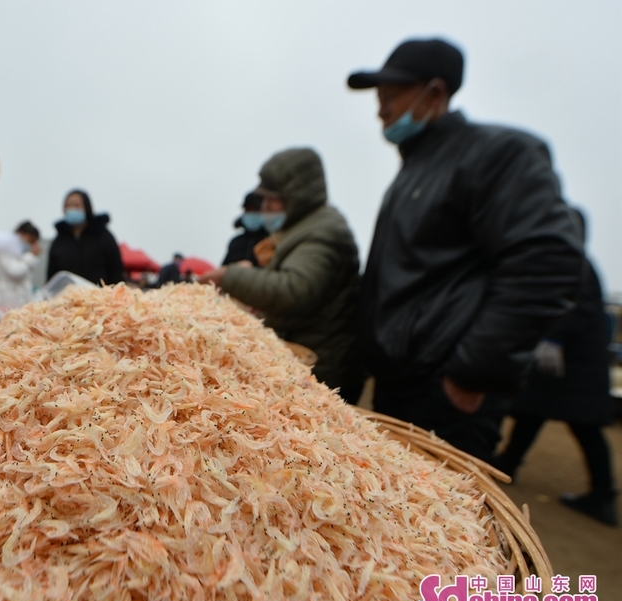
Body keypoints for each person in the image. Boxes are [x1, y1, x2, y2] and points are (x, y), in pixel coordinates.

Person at [348, 38, 584, 462]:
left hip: (446, 396)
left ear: (434, 93)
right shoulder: (414, 171)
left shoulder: (496, 154)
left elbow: (547, 261)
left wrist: (473, 374)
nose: (380, 109)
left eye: (390, 96)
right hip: (399, 386)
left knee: (439, 521)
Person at [199, 148, 363, 403]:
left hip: (323, 369)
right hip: (310, 360)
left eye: (271, 199)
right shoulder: (304, 226)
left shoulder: (324, 231)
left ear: (294, 196)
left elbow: (293, 289)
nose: (265, 208)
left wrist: (231, 276)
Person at [494, 214, 617, 525]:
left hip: (574, 363)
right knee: (531, 411)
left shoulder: (576, 263)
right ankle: (508, 463)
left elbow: (579, 308)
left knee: (585, 426)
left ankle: (602, 497)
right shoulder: (570, 261)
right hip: (563, 365)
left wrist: (554, 337)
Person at [47, 189, 124, 286]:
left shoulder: (103, 235)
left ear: (87, 207)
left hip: (101, 296)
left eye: (76, 205)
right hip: (66, 298)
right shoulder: (58, 241)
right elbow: (51, 277)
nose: (72, 209)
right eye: (68, 206)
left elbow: (116, 270)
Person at [0, 226, 40, 310]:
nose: (30, 244)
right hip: (8, 298)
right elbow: (16, 272)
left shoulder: (16, 252)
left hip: (15, 298)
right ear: (20, 234)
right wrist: (31, 256)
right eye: (30, 240)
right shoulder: (4, 250)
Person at [222, 192, 269, 266]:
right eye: (248, 210)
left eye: (256, 209)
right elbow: (223, 270)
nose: (252, 213)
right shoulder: (236, 242)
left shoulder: (273, 240)